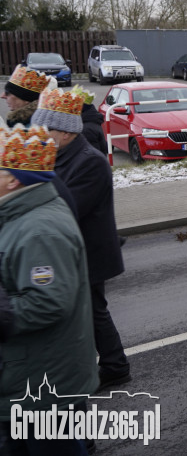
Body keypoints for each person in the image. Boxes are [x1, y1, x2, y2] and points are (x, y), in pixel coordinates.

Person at [0, 125, 97, 455]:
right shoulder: (18, 215)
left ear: (13, 180)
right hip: (26, 375)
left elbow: (48, 303)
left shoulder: (40, 230)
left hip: (41, 382)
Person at [31, 89, 132, 391]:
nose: (42, 135)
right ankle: (109, 364)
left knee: (93, 311)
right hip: (73, 251)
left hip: (88, 252)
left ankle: (115, 366)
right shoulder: (61, 156)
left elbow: (65, 208)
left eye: (47, 129)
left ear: (65, 132)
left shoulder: (90, 161)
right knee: (88, 311)